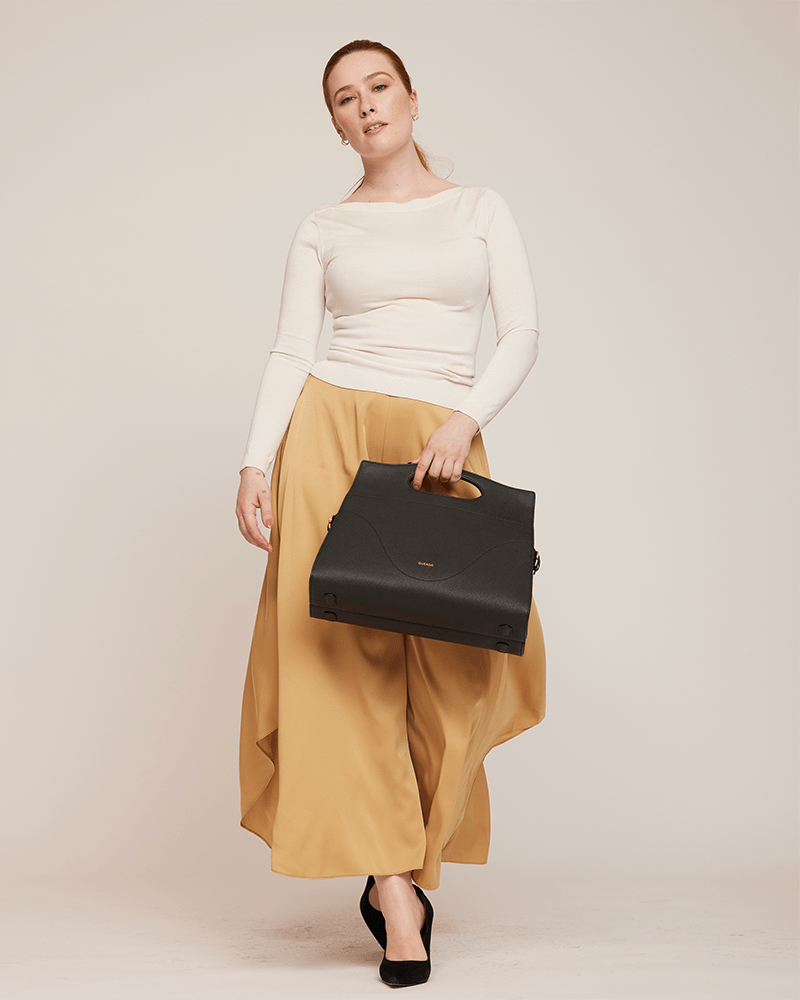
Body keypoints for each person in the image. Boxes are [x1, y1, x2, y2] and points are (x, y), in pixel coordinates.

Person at [234, 38, 546, 988]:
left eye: (378, 87)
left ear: (411, 96)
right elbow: (293, 350)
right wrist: (255, 460)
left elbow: (521, 331)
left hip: (438, 438)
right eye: (344, 98)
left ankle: (407, 859)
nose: (365, 105)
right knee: (343, 666)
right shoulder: (324, 226)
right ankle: (394, 892)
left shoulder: (479, 208)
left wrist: (464, 419)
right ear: (335, 124)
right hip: (330, 433)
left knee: (456, 665)